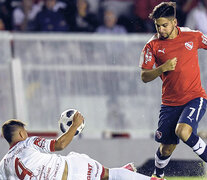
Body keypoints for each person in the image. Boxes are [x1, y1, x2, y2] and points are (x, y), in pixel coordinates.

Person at [139, 1, 207, 179]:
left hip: (195, 97)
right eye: (157, 25)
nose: (160, 29)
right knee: (166, 148)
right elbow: (144, 76)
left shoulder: (193, 36)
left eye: (164, 25)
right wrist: (162, 68)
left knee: (183, 131)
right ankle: (158, 175)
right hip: (169, 103)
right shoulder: (152, 45)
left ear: (174, 22)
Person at [0, 113, 165, 180]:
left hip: (71, 172)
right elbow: (60, 144)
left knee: (106, 175)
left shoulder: (3, 165)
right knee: (109, 174)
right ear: (21, 134)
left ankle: (123, 173)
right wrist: (75, 125)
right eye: (25, 131)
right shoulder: (29, 142)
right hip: (72, 169)